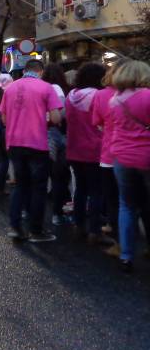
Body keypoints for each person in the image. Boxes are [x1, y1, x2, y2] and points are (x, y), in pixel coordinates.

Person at [1, 59, 63, 242]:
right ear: (40, 71)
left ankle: (15, 226)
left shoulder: (10, 89)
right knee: (38, 187)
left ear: (24, 70)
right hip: (36, 143)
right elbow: (56, 117)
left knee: (20, 185)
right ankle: (36, 230)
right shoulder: (46, 88)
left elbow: (4, 119)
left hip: (14, 143)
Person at [108, 60, 150, 272]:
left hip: (122, 157)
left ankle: (126, 254)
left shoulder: (115, 100)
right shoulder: (147, 96)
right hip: (146, 156)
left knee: (127, 205)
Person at [66, 62, 109, 244]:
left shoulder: (71, 96)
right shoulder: (99, 96)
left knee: (81, 189)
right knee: (96, 191)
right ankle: (94, 230)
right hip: (95, 148)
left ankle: (78, 224)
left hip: (74, 148)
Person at [91, 63, 121, 255]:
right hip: (142, 155)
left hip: (110, 154)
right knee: (142, 201)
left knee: (115, 201)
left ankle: (120, 245)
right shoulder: (145, 93)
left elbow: (97, 124)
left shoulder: (101, 95)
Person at [43, 63, 71, 226]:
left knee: (42, 174)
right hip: (57, 133)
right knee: (59, 175)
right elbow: (61, 112)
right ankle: (58, 212)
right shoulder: (59, 89)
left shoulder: (42, 88)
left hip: (40, 134)